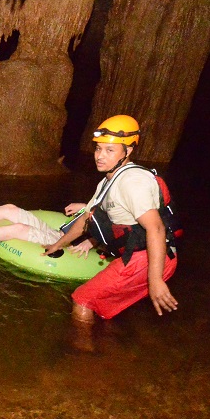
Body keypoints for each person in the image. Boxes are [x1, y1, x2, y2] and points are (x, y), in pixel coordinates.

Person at [42, 114, 179, 342]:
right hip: (143, 256)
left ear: (128, 151)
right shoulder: (109, 180)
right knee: (104, 306)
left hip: (146, 259)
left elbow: (155, 228)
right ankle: (111, 346)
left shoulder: (132, 182)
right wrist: (56, 246)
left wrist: (155, 280)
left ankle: (82, 355)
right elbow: (85, 221)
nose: (100, 156)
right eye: (98, 149)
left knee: (82, 299)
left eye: (109, 150)